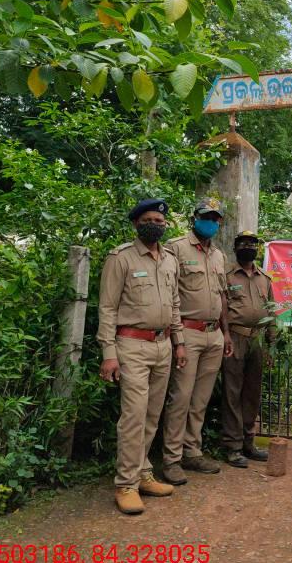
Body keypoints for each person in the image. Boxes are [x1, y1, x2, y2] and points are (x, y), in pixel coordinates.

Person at [97, 198, 188, 515]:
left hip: (163, 346)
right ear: (136, 223)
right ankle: (126, 484)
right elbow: (107, 308)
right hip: (131, 346)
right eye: (148, 220)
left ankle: (143, 473)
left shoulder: (170, 260)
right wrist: (109, 353)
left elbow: (175, 304)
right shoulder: (121, 258)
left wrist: (179, 342)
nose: (155, 225)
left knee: (151, 416)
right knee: (134, 416)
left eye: (160, 221)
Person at [161, 198, 233, 485]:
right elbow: (168, 292)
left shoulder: (219, 255)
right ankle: (171, 459)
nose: (211, 222)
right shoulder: (176, 248)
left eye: (215, 219)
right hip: (187, 333)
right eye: (206, 217)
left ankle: (192, 451)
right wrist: (176, 337)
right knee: (180, 397)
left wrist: (226, 333)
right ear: (194, 218)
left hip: (214, 335)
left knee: (200, 399)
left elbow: (222, 297)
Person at [221, 231, 276, 468]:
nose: (248, 247)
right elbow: (222, 309)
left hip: (257, 340)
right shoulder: (227, 276)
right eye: (243, 244)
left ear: (258, 249)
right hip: (235, 338)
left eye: (252, 244)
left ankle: (248, 442)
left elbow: (271, 311)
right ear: (235, 248)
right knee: (232, 392)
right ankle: (232, 446)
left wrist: (271, 344)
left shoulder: (265, 278)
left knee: (252, 392)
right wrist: (225, 335)